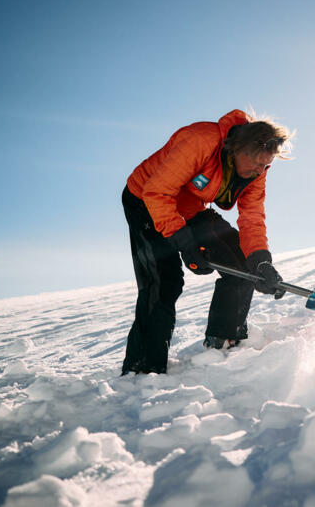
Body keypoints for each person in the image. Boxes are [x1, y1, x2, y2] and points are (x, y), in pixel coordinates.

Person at [121, 109, 292, 375]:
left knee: (241, 264)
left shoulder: (256, 171)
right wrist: (184, 243)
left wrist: (261, 261)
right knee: (163, 282)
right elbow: (158, 191)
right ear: (239, 148)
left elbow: (252, 217)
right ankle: (142, 369)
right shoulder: (200, 139)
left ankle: (223, 343)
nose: (261, 170)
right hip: (145, 199)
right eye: (258, 163)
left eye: (266, 165)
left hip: (188, 204)